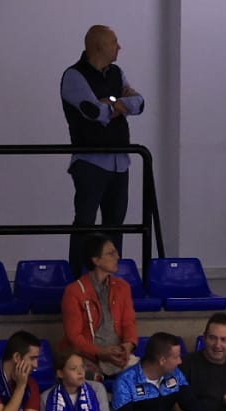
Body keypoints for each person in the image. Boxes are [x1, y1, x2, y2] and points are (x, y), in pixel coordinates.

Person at [61, 24, 144, 273]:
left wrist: (110, 102)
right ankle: (79, 276)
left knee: (115, 225)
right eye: (114, 42)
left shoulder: (116, 73)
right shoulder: (74, 76)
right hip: (91, 162)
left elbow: (139, 103)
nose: (119, 47)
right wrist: (119, 104)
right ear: (99, 46)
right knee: (85, 223)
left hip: (120, 162)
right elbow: (93, 112)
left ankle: (110, 277)